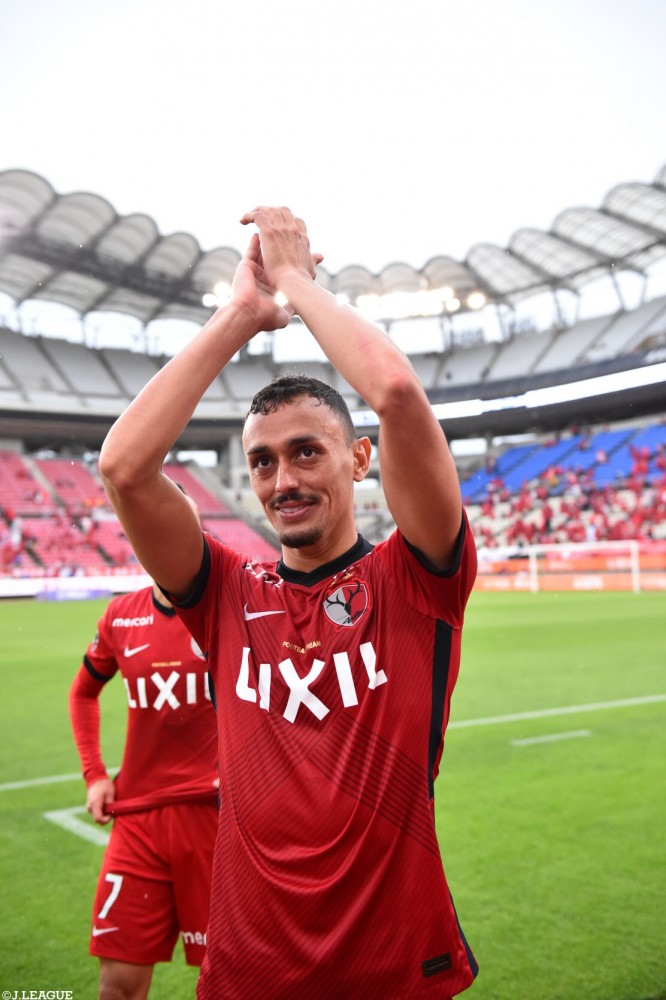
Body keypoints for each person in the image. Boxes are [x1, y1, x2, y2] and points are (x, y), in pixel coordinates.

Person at [98, 207, 479, 999]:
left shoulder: (416, 580)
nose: (283, 481)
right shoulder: (226, 594)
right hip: (248, 969)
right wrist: (239, 315)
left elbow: (396, 392)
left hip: (394, 966)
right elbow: (125, 468)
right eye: (263, 462)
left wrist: (298, 285)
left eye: (307, 451)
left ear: (360, 458)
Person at [69, 498, 219, 1000]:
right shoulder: (120, 616)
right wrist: (95, 774)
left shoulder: (232, 607)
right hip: (137, 822)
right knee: (117, 987)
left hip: (218, 821)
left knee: (232, 983)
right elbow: (83, 693)